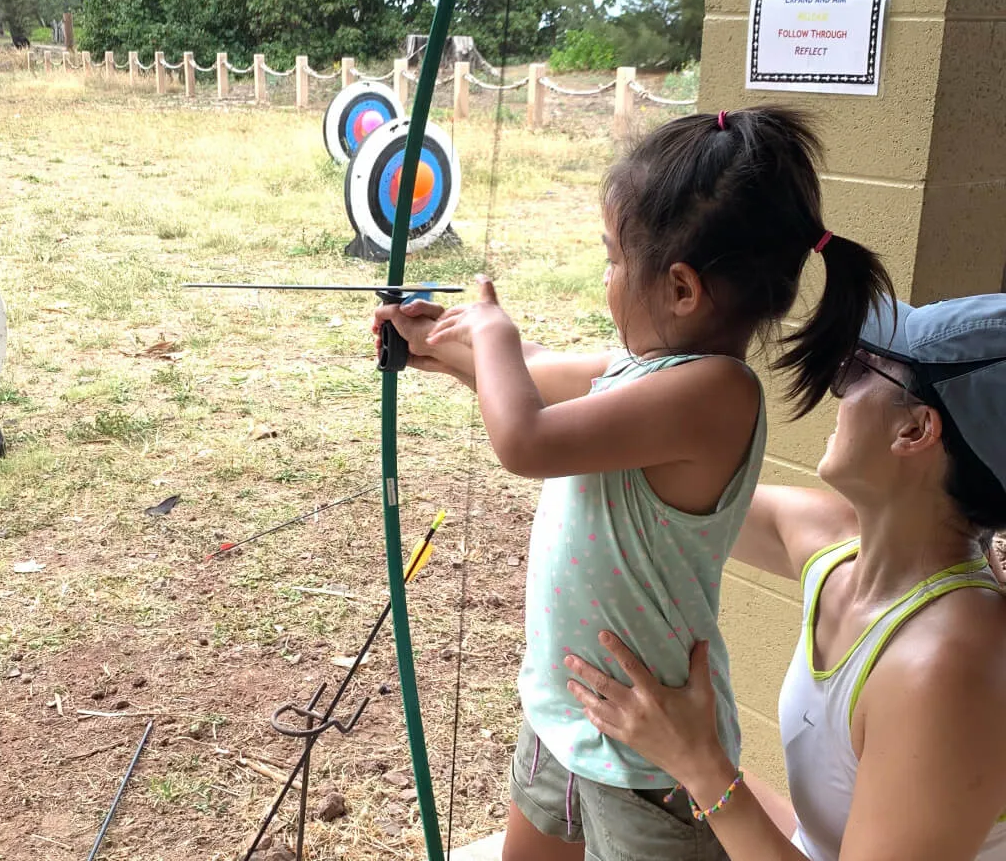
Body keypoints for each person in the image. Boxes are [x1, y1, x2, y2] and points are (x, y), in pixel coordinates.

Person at [373, 107, 892, 861]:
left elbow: (526, 438)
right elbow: (534, 379)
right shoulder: (639, 372)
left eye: (615, 259)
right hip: (566, 714)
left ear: (681, 289)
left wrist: (494, 334)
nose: (608, 276)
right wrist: (438, 342)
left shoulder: (716, 394)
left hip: (652, 753)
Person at [561, 292, 1006, 860]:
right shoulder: (838, 544)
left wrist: (702, 765)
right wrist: (470, 353)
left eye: (854, 372)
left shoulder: (948, 668)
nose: (835, 393)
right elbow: (671, 472)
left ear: (916, 431)